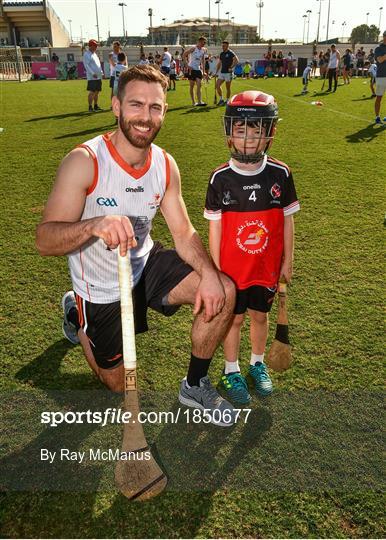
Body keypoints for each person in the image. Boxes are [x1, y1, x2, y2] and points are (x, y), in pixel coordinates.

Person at [35, 65, 237, 427]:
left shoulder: (164, 164)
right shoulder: (85, 162)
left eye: (155, 107)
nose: (145, 117)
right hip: (99, 287)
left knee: (223, 289)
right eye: (136, 105)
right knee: (114, 383)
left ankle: (194, 385)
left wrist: (208, 273)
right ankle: (76, 316)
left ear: (164, 111)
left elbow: (183, 230)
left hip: (144, 265)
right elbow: (45, 239)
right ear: (116, 106)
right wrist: (95, 223)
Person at [204, 90, 300, 404]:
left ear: (269, 134)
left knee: (260, 316)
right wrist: (215, 270)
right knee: (233, 319)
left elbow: (287, 220)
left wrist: (288, 259)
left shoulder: (280, 173)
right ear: (229, 132)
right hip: (232, 270)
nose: (247, 139)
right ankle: (231, 370)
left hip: (266, 266)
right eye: (240, 130)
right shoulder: (220, 178)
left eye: (256, 131)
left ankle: (257, 365)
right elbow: (215, 228)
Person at [182, 36, 207, 106]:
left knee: (199, 84)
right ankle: (193, 102)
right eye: (203, 42)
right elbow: (184, 55)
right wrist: (187, 65)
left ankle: (200, 101)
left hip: (198, 69)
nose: (204, 44)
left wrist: (204, 71)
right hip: (191, 69)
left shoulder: (204, 50)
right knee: (192, 86)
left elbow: (203, 60)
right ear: (199, 42)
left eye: (205, 42)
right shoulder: (193, 48)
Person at [83, 39, 103, 112]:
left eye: (96, 46)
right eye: (95, 46)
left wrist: (101, 72)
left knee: (97, 92)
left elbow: (98, 65)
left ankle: (96, 105)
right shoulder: (86, 54)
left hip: (98, 76)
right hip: (92, 77)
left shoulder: (95, 54)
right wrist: (92, 73)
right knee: (92, 92)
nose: (96, 47)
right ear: (90, 46)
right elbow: (86, 65)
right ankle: (90, 107)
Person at [216, 41, 239, 106]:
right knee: (217, 85)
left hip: (228, 73)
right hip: (222, 73)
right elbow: (219, 63)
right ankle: (221, 99)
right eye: (222, 46)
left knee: (227, 87)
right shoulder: (221, 54)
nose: (223, 47)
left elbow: (237, 60)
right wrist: (216, 71)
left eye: (224, 46)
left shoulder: (231, 53)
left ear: (227, 46)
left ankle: (228, 100)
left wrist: (231, 67)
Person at [374, 31, 386, 124]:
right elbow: (380, 60)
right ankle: (377, 117)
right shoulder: (378, 48)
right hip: (381, 76)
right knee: (379, 97)